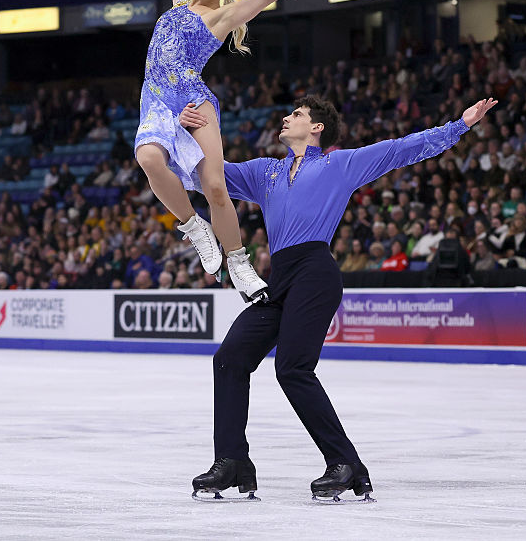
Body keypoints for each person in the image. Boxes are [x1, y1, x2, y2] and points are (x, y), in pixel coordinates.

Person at [181, 95, 496, 501]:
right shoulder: (265, 172)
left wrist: (459, 126)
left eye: (296, 114)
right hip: (280, 278)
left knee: (293, 369)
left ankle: (345, 464)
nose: (286, 117)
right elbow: (207, 176)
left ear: (317, 128)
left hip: (315, 273)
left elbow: (401, 149)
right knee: (229, 358)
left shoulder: (339, 164)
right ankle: (232, 461)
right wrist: (186, 135)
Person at [134, 0, 347, 304]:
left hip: (193, 100)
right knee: (149, 158)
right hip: (156, 100)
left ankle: (239, 263)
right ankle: (194, 227)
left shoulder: (222, 17)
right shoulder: (180, 3)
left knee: (216, 187)